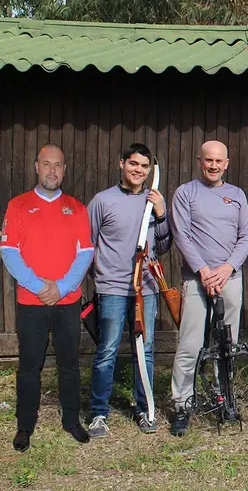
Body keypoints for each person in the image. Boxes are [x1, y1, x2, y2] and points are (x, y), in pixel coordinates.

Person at [0, 144, 94, 451]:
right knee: (29, 365)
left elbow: (85, 253)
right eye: (46, 164)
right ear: (36, 167)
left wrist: (63, 287)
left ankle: (71, 420)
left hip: (66, 302)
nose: (52, 170)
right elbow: (9, 251)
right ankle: (25, 425)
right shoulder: (18, 205)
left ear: (64, 170)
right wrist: (38, 285)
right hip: (32, 302)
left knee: (69, 364)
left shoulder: (77, 208)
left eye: (58, 165)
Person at [86, 143, 172, 438]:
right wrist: (99, 276)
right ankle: (98, 413)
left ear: (150, 170)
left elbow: (163, 245)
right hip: (112, 288)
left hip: (145, 289)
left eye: (145, 167)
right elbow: (88, 244)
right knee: (107, 350)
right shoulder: (102, 201)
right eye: (134, 164)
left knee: (144, 351)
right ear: (122, 163)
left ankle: (144, 408)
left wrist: (161, 215)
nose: (139, 171)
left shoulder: (153, 201)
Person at [169, 140, 248, 436]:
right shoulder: (185, 193)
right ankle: (182, 404)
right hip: (197, 279)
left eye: (219, 161)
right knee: (190, 344)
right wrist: (204, 271)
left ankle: (223, 398)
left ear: (226, 164)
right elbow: (182, 235)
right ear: (199, 161)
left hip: (230, 278)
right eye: (208, 160)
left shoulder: (237, 195)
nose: (213, 165)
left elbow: (246, 236)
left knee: (226, 345)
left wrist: (227, 268)